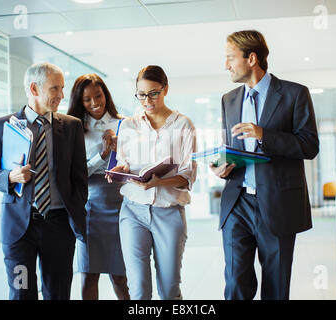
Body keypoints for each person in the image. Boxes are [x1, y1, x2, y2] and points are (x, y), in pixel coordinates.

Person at [210, 30, 319, 300]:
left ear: (251, 59)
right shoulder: (229, 99)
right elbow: (231, 148)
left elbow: (309, 146)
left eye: (230, 58)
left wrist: (263, 135)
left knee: (276, 286)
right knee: (235, 282)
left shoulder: (295, 94)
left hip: (278, 203)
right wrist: (221, 165)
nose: (226, 65)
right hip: (237, 203)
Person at [0, 62, 88, 300]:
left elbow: (79, 178)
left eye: (62, 88)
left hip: (59, 227)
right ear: (34, 88)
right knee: (22, 292)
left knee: (58, 294)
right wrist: (10, 177)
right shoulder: (3, 126)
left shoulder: (71, 126)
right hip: (20, 230)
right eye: (55, 89)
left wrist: (76, 208)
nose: (62, 95)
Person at [107, 65, 197, 300]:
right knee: (138, 290)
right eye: (141, 94)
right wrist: (119, 170)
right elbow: (125, 163)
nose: (147, 100)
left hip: (169, 212)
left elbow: (188, 175)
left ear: (165, 89)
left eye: (153, 93)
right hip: (132, 212)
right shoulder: (128, 125)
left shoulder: (183, 125)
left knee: (169, 290)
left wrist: (158, 182)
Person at [67, 73, 130, 300]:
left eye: (98, 95)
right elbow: (75, 174)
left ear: (106, 94)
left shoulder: (124, 123)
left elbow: (134, 165)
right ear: (79, 101)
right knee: (89, 274)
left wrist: (119, 154)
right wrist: (102, 154)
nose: (95, 103)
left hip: (122, 206)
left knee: (120, 276)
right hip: (90, 208)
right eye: (87, 99)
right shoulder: (73, 129)